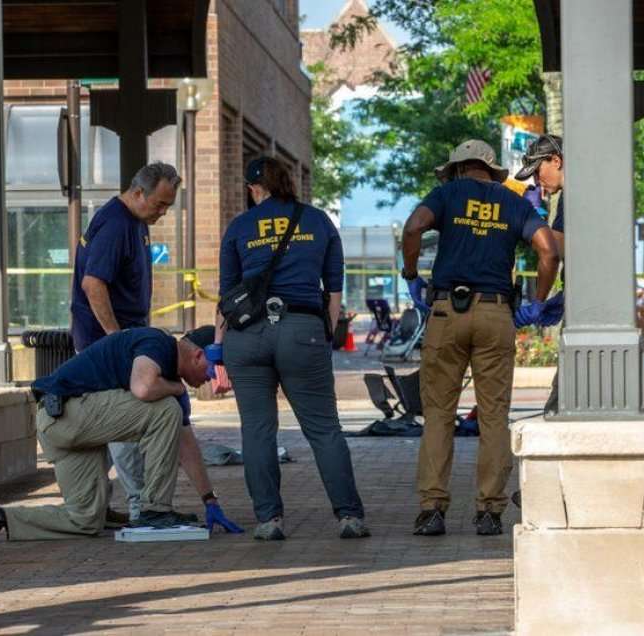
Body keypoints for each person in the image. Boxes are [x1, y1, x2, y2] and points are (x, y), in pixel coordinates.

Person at [401, 139, 560, 536]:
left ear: (457, 169)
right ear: (491, 170)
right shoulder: (513, 203)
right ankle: (489, 510)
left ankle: (432, 508)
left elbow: (413, 227)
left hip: (445, 312)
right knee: (493, 416)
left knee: (438, 413)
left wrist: (410, 275)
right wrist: (538, 302)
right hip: (495, 314)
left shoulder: (446, 194)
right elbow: (548, 252)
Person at [214, 156, 369, 541]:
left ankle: (269, 520)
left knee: (258, 430)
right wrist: (326, 334)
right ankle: (348, 516)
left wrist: (218, 352)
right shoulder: (317, 221)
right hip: (303, 328)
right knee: (323, 429)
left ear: (254, 188)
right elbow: (333, 290)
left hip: (247, 336)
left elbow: (227, 299)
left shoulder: (239, 226)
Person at [0, 328, 242, 543]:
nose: (213, 380)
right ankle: (155, 510)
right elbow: (143, 387)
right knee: (165, 409)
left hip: (63, 424)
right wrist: (178, 390)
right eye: (213, 369)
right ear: (197, 354)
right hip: (66, 414)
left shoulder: (170, 383)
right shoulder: (158, 343)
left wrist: (210, 499)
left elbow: (187, 446)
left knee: (85, 519)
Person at [70, 162, 181, 524]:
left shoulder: (133, 221)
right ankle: (141, 506)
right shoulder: (117, 224)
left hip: (118, 340)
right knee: (126, 422)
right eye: (159, 205)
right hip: (107, 345)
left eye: (168, 206)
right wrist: (115, 339)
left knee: (107, 425)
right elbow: (93, 284)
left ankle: (99, 506)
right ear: (138, 193)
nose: (162, 213)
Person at [514, 134, 566, 414]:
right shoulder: (569, 196)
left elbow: (556, 250)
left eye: (538, 172)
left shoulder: (576, 194)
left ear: (555, 160)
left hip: (595, 308)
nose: (536, 182)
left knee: (562, 397)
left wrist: (532, 216)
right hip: (582, 297)